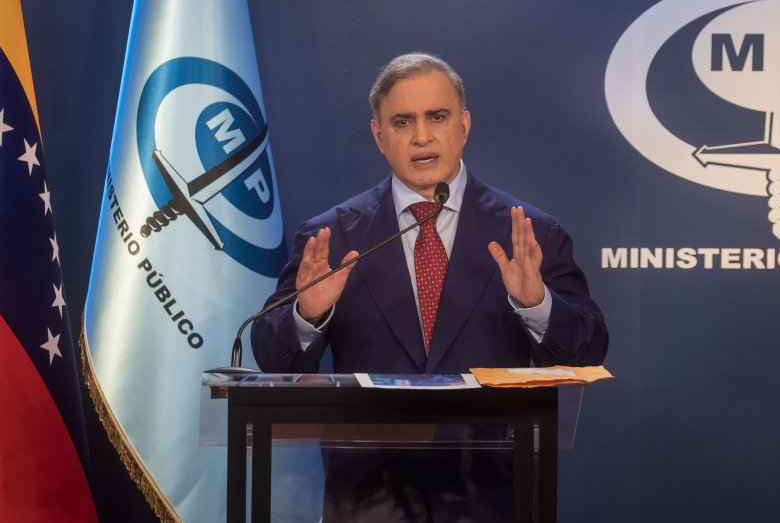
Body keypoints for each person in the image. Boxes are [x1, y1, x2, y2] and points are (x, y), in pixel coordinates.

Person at [251, 52, 608, 521]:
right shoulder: (333, 236)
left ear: (463, 125)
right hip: (368, 501)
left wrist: (537, 304)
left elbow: (588, 350)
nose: (422, 136)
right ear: (379, 136)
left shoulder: (528, 232)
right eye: (402, 122)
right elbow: (271, 355)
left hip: (490, 498)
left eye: (436, 117)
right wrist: (307, 317)